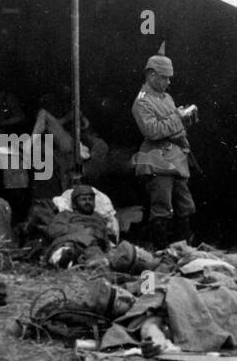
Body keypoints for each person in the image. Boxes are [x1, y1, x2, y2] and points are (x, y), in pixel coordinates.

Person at [131, 46, 198, 249]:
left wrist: (184, 117)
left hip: (177, 157)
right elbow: (152, 131)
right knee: (162, 208)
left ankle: (184, 250)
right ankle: (162, 252)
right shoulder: (141, 102)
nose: (168, 82)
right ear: (151, 74)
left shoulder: (166, 98)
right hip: (157, 160)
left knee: (185, 206)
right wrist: (178, 118)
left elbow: (171, 123)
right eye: (164, 77)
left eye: (169, 78)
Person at [44, 183, 116, 269]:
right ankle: (64, 257)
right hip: (70, 242)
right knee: (69, 250)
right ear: (74, 204)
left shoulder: (99, 219)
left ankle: (84, 261)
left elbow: (106, 241)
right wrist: (81, 230)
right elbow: (53, 230)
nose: (87, 202)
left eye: (90, 199)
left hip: (94, 248)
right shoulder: (66, 215)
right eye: (83, 199)